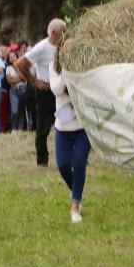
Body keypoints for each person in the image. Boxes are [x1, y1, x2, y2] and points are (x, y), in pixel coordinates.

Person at [16, 19, 67, 166]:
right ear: (54, 33)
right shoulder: (42, 47)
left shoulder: (63, 46)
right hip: (45, 91)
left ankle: (70, 157)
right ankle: (42, 161)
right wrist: (35, 81)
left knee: (67, 122)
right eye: (63, 32)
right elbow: (20, 63)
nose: (65, 34)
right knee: (43, 127)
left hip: (62, 90)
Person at [50, 49, 91, 223]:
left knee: (79, 162)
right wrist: (67, 70)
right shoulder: (55, 67)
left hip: (83, 125)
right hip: (63, 125)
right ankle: (77, 191)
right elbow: (57, 90)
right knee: (63, 165)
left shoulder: (85, 65)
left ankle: (75, 206)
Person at [5, 50, 27, 131]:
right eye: (10, 57)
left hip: (23, 90)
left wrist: (16, 69)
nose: (12, 59)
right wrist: (19, 78)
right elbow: (10, 81)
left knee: (21, 111)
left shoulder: (22, 66)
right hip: (14, 90)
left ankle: (20, 129)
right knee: (14, 111)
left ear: (17, 57)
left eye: (14, 57)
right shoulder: (8, 68)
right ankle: (14, 128)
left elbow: (25, 79)